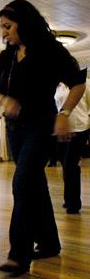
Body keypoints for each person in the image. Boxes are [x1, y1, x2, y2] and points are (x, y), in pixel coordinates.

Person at [0, 0, 87, 277]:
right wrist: (4, 99)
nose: (4, 33)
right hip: (14, 128)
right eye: (1, 28)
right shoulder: (6, 56)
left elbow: (77, 82)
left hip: (41, 125)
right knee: (35, 184)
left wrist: (64, 112)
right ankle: (48, 242)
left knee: (22, 183)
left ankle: (18, 255)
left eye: (8, 26)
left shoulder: (50, 50)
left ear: (25, 22)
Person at [55, 82, 90, 214]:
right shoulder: (58, 86)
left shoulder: (85, 83)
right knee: (65, 164)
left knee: (70, 164)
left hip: (80, 127)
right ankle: (69, 199)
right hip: (63, 129)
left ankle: (74, 203)